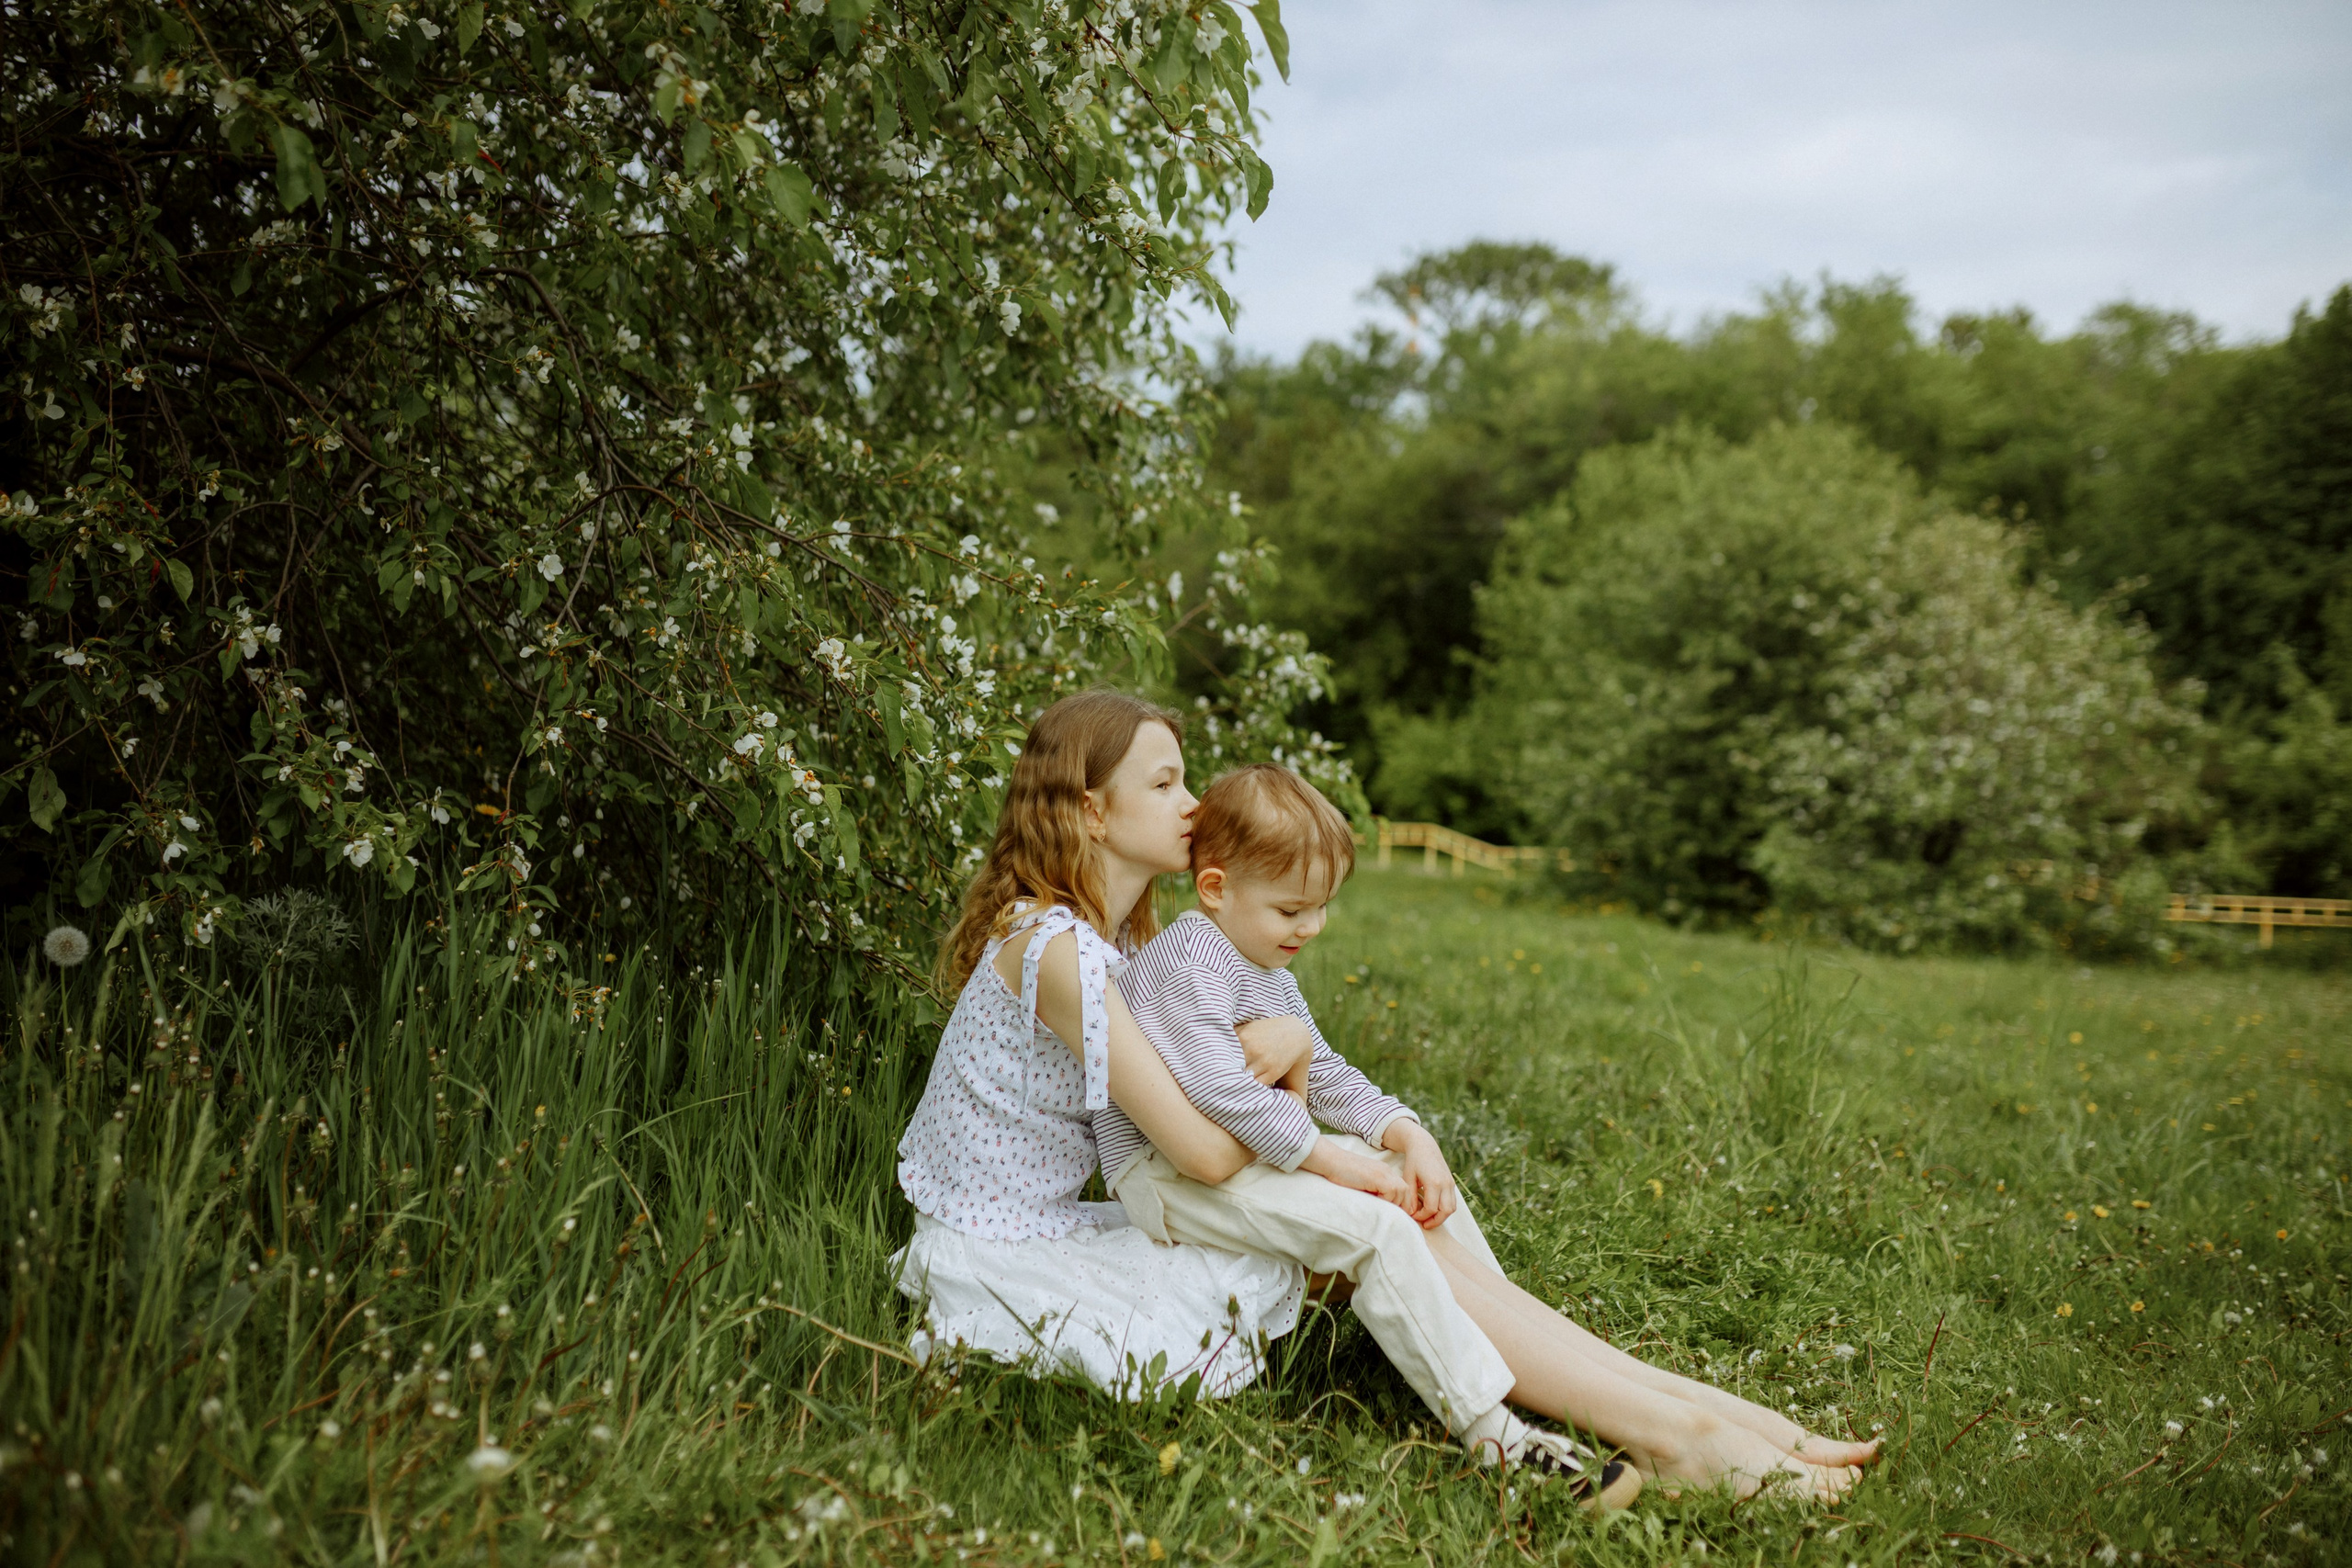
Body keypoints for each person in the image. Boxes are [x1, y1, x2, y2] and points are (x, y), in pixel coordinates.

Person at [1102, 763, 1880, 1503]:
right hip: (1167, 1176)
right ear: (1216, 889)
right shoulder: (1191, 956)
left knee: (1407, 1196)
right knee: (1380, 1222)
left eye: (1323, 906)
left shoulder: (1261, 962)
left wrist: (1407, 1133)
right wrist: (1341, 1163)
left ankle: (1662, 1400)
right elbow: (1222, 1096)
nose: (1313, 925)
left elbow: (1325, 1071)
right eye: (1292, 909)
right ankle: (1499, 1429)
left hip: (1241, 1163)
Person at [891, 690, 1307, 1398]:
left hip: (1048, 1218)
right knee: (1295, 1240)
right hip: (996, 1246)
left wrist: (1284, 1045)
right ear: (1092, 812)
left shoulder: (1117, 941)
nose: (1194, 806)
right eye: (1164, 784)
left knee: (1332, 1219)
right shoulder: (1057, 949)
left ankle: (1509, 1384)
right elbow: (1205, 1152)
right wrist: (1290, 1095)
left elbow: (1204, 1085)